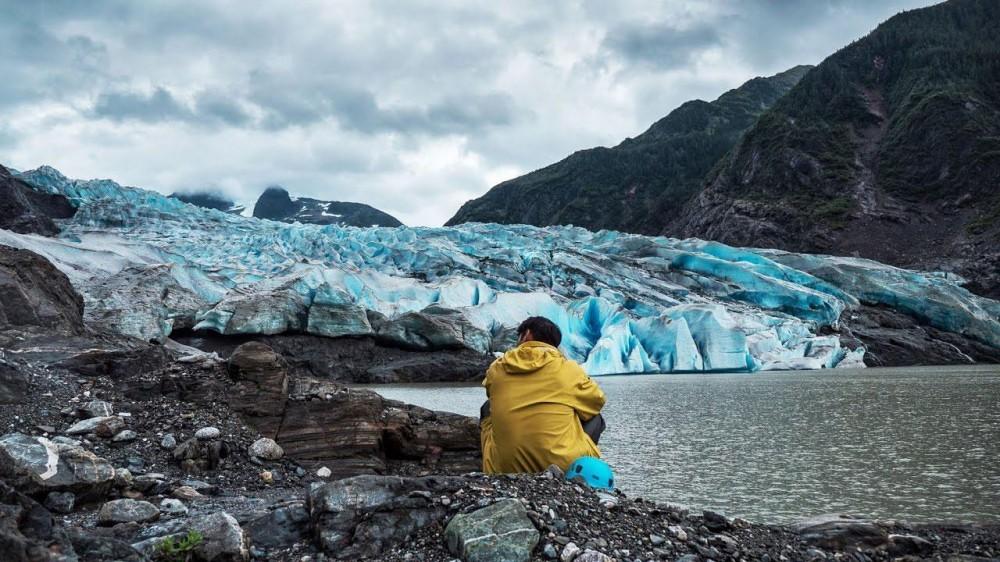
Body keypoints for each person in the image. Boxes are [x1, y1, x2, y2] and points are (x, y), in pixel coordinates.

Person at [480, 316, 607, 474]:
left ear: (526, 334)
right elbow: (597, 400)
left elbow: (490, 391)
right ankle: (580, 470)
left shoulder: (497, 368)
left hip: (503, 468)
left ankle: (502, 457)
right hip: (563, 466)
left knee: (487, 408)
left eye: (518, 337)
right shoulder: (567, 369)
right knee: (594, 416)